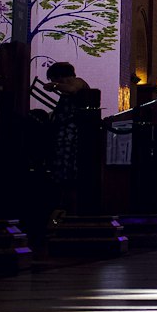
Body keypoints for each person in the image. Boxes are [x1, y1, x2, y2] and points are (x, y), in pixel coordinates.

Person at [44, 61, 94, 216]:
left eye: (55, 79)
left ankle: (69, 209)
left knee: (68, 174)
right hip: (64, 136)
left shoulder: (77, 82)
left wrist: (54, 86)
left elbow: (73, 88)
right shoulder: (68, 89)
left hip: (71, 137)